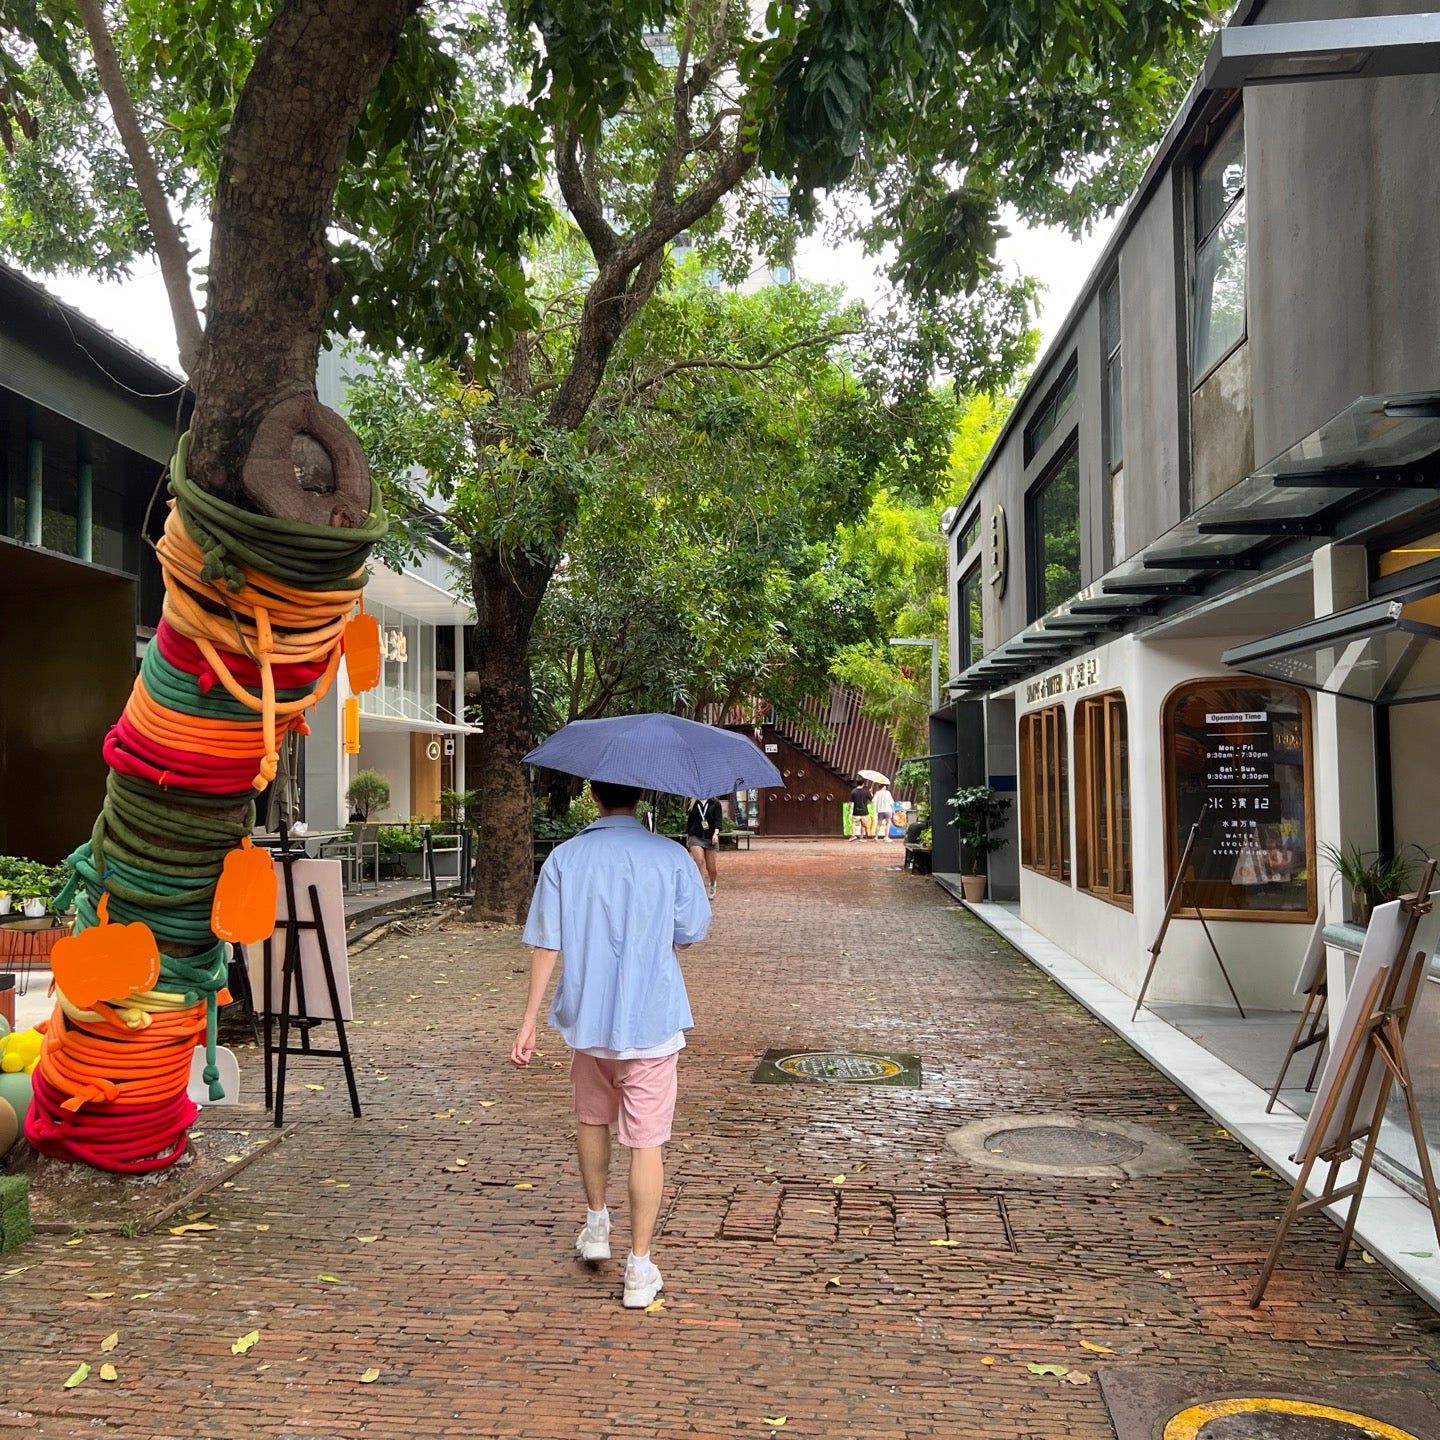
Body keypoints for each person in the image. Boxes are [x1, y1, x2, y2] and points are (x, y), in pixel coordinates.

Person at [512, 779, 710, 1310]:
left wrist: (529, 1020)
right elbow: (691, 931)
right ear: (641, 796)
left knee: (591, 1119)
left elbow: (546, 942)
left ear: (594, 796)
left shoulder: (564, 858)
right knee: (646, 1142)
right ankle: (639, 1268)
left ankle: (597, 1223)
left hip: (588, 1020)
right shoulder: (670, 857)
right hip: (650, 1020)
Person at [684, 796, 723, 898]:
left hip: (710, 837)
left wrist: (716, 833)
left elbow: (718, 821)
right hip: (695, 836)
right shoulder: (693, 803)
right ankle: (700, 888)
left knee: (711, 868)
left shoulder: (715, 803)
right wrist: (688, 836)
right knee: (699, 861)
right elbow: (690, 821)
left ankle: (713, 883)